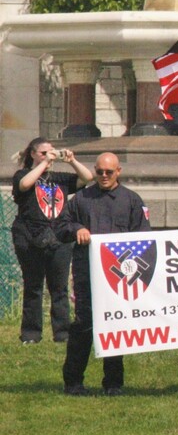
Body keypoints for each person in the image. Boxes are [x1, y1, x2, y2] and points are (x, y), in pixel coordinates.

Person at [56, 153, 150, 396]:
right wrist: (77, 228)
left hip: (119, 278)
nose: (104, 176)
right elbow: (61, 226)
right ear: (94, 172)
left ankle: (113, 384)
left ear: (118, 171)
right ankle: (73, 382)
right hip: (86, 272)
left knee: (114, 327)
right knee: (84, 325)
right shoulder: (81, 199)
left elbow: (143, 237)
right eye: (100, 172)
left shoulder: (131, 200)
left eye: (109, 172)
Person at [10, 137, 92, 344]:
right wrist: (45, 164)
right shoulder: (23, 175)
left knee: (59, 288)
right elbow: (25, 184)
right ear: (33, 154)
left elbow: (87, 178)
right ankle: (31, 334)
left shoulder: (60, 179)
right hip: (30, 238)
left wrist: (72, 160)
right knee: (33, 286)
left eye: (51, 152)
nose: (49, 156)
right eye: (43, 153)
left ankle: (62, 333)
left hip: (60, 237)